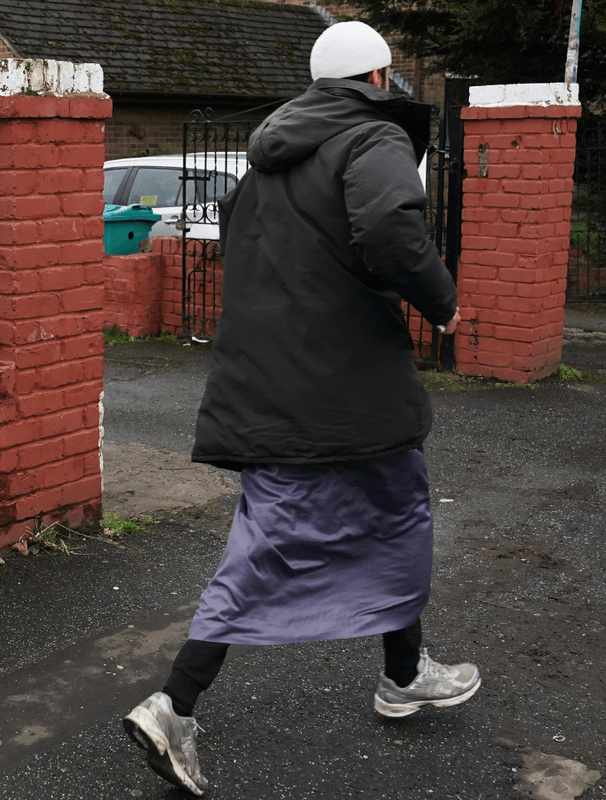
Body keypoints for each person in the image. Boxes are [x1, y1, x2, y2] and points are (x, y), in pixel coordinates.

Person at [122, 21, 478, 796]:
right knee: (275, 541)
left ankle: (405, 673)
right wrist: (441, 303)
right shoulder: (371, 139)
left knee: (389, 517)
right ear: (380, 77)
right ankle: (174, 705)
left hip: (280, 382)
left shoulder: (271, 163)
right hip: (336, 389)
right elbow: (390, 228)